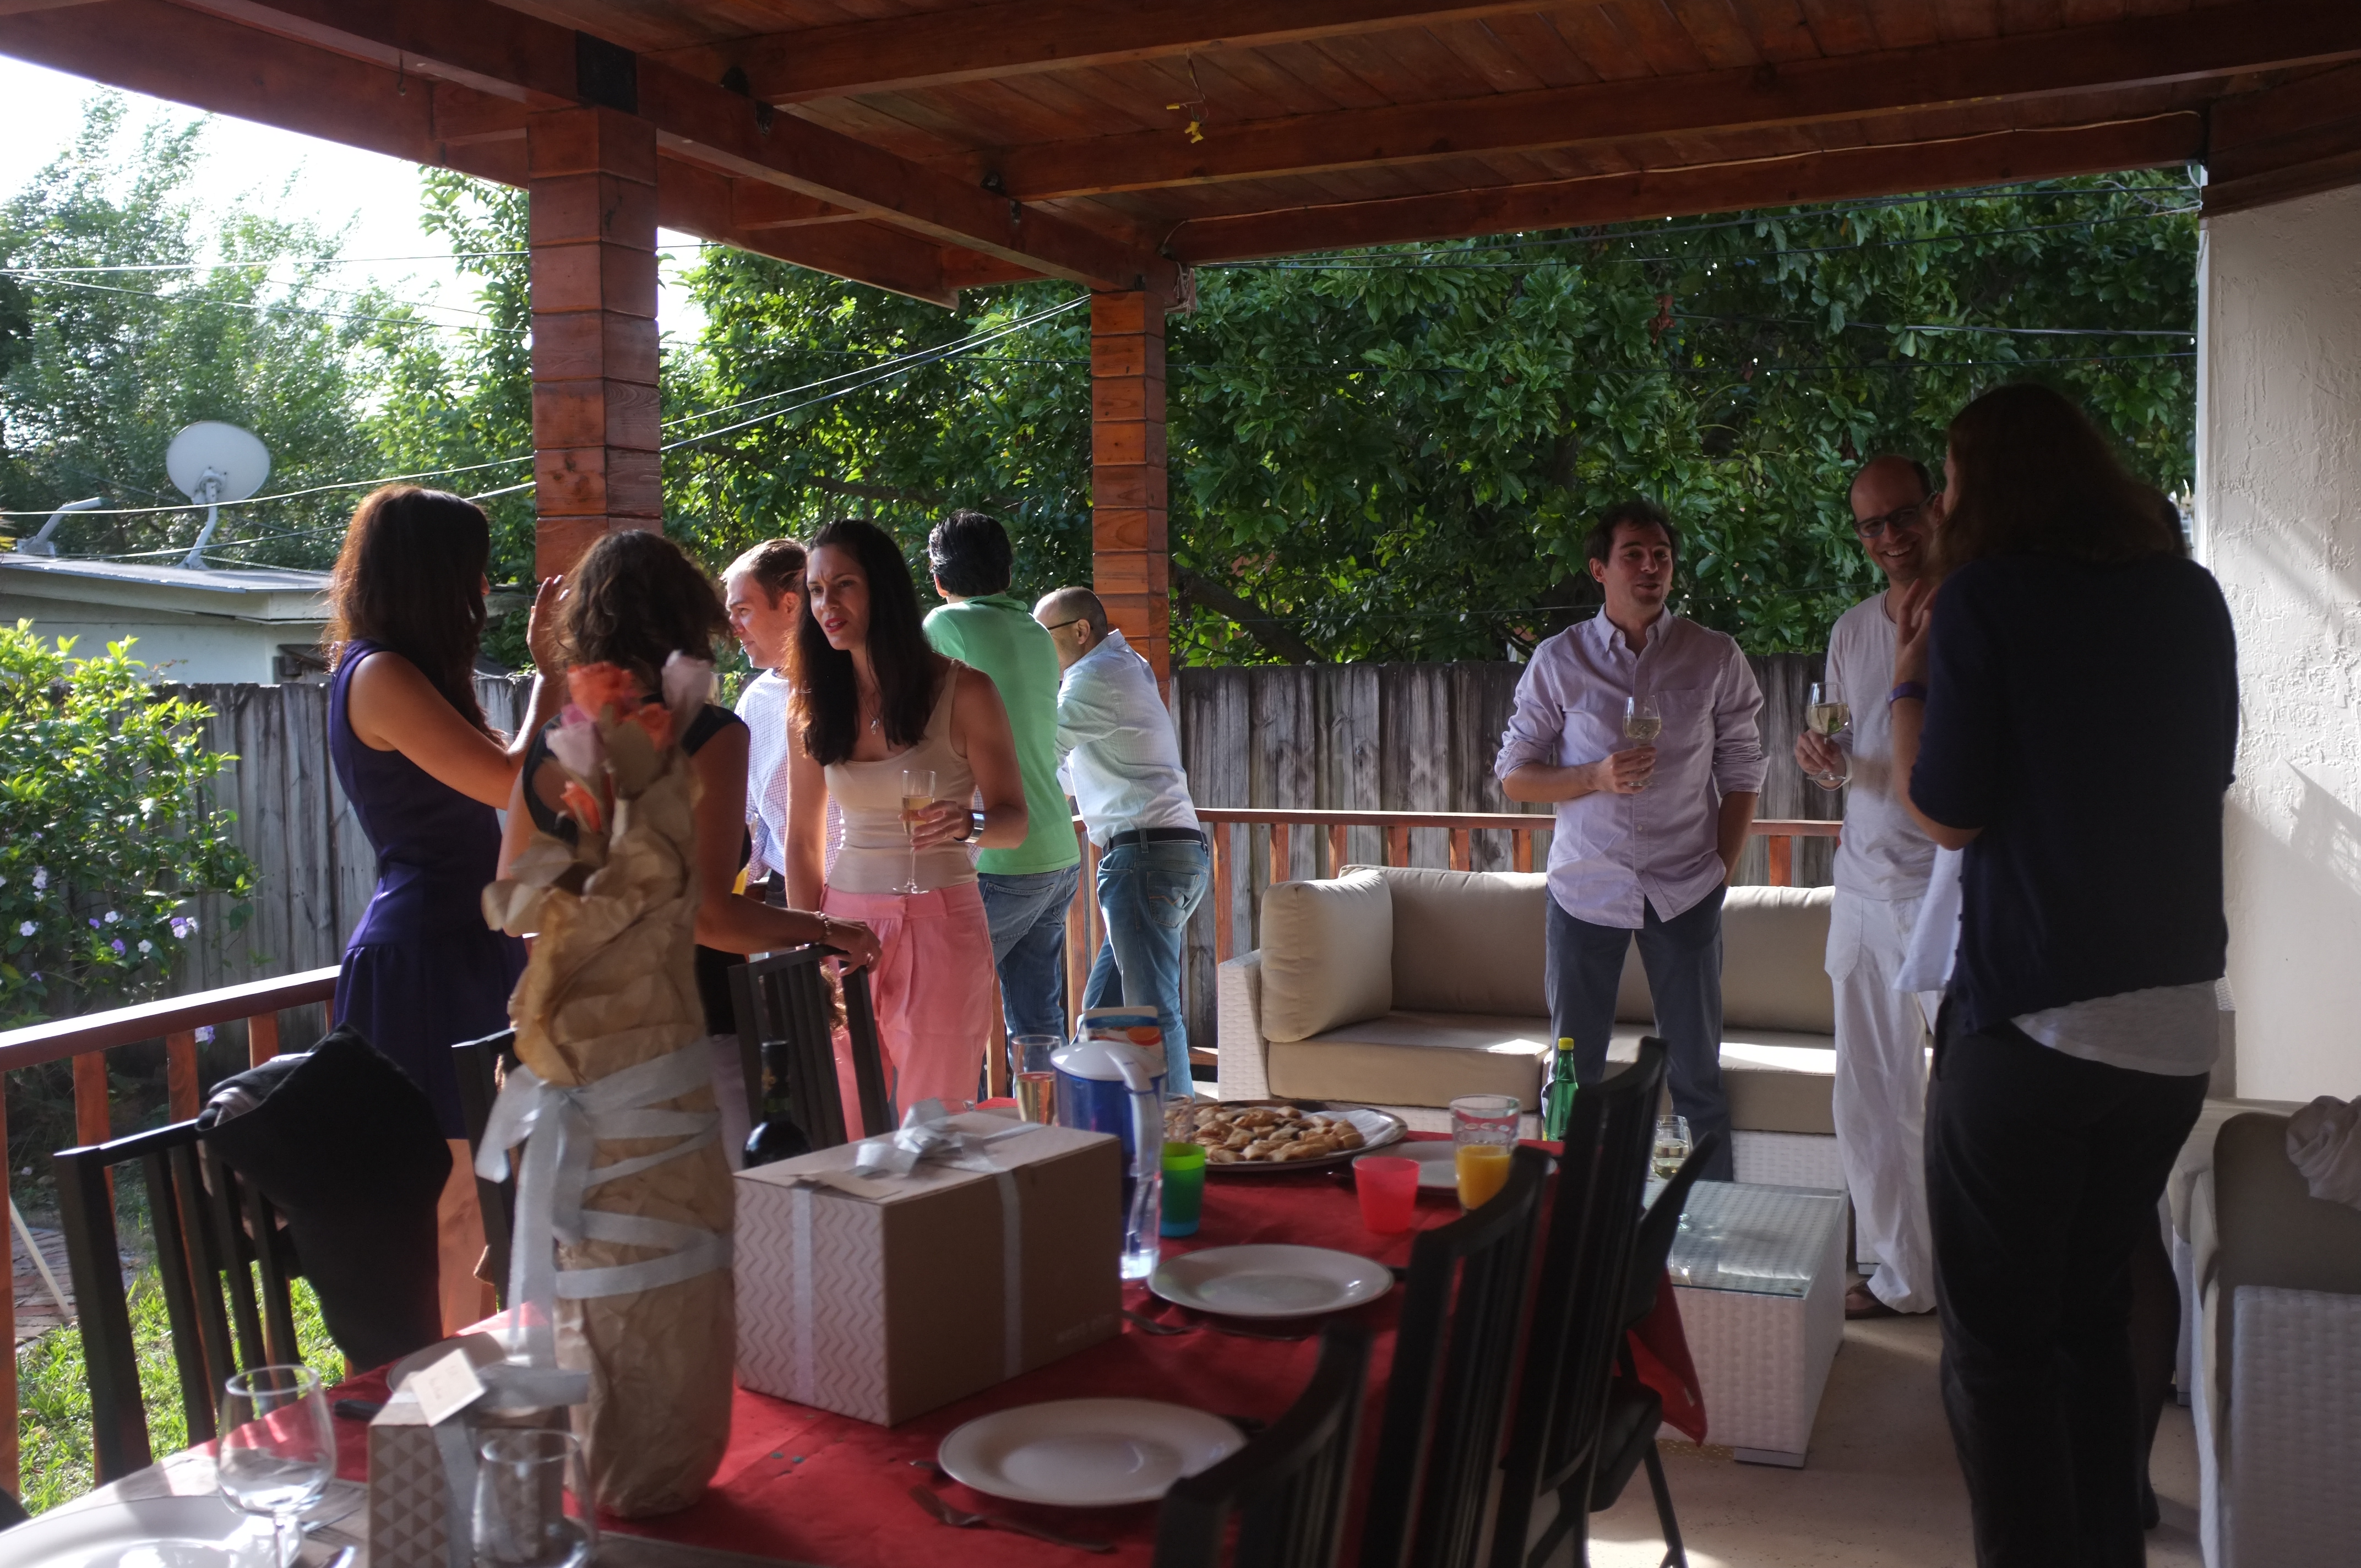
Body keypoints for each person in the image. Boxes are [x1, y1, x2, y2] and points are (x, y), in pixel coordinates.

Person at [1892, 383, 2234, 1567]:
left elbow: (1944, 810)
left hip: (2034, 1026)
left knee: (1996, 1355)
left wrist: (1909, 677)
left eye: (1948, 480)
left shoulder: (1983, 599)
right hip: (2173, 1033)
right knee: (2091, 1318)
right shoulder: (2187, 596)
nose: (1940, 505)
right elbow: (2201, 773)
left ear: (1991, 485)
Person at [500, 530, 880, 1159]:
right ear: (686, 616)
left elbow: (517, 903)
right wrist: (827, 929)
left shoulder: (553, 741)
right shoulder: (708, 734)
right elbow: (708, 916)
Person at [324, 484, 564, 1333]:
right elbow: (508, 780)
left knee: (483, 1198)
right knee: (454, 1201)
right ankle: (438, 1384)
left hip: (463, 942)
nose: (483, 588)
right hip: (423, 953)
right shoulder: (378, 673)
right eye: (472, 569)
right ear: (432, 573)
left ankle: (471, 1373)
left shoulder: (408, 671)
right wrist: (549, 672)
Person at [1495, 499, 1762, 1182]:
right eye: (1633, 555)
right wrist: (1593, 776)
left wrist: (1721, 868)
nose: (1650, 567)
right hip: (1586, 886)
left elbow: (1743, 769)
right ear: (1600, 569)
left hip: (1686, 887)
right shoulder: (1560, 659)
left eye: (1661, 556)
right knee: (1573, 1070)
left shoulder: (1713, 655)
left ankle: (1712, 1221)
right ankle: (1563, 1211)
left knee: (1696, 1071)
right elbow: (1514, 775)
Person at [784, 519, 1027, 1114]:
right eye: (815, 590)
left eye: (844, 584)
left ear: (883, 588)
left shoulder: (965, 690)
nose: (827, 603)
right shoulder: (811, 704)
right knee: (841, 1121)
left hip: (940, 925)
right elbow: (802, 842)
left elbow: (1014, 822)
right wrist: (806, 945)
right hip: (840, 928)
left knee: (933, 1125)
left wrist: (968, 824)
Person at [1796, 455, 1944, 1320]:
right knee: (1868, 1102)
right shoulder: (1852, 630)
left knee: (1971, 1103)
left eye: (1903, 515)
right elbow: (1846, 754)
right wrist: (1826, 763)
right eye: (1872, 525)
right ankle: (1902, 1277)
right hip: (1859, 890)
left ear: (1936, 508)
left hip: (1948, 890)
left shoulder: (1974, 615)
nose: (1890, 536)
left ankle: (1978, 1280)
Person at [1033, 586, 1207, 1091]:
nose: (1037, 651)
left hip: (1144, 860)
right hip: (1162, 854)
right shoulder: (1119, 666)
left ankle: (1177, 1126)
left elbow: (1040, 750)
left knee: (1152, 1011)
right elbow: (1065, 774)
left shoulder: (1096, 676)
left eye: (1042, 638)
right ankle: (1099, 1122)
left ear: (1080, 631)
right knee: (1105, 1014)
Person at [921, 512, 1082, 1053]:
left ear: (938, 579)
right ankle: (1051, 1109)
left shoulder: (945, 626)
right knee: (1038, 1025)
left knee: (939, 1011)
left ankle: (949, 1108)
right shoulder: (1037, 632)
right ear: (1007, 574)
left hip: (999, 852)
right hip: (1057, 850)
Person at [723, 537, 841, 889]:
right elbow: (750, 819)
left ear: (790, 605)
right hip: (786, 891)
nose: (733, 627)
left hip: (872, 897)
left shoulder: (859, 684)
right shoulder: (753, 701)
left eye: (743, 611)